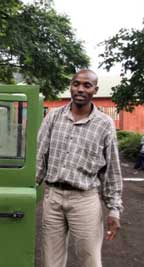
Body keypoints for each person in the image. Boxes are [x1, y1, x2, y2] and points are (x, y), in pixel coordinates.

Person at [36, 69, 123, 267]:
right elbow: (39, 158)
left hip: (85, 200)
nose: (80, 89)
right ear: (71, 86)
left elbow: (112, 170)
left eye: (87, 85)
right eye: (76, 84)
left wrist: (114, 210)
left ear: (95, 90)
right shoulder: (53, 117)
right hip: (53, 197)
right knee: (51, 261)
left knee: (89, 259)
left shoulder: (104, 124)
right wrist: (27, 190)